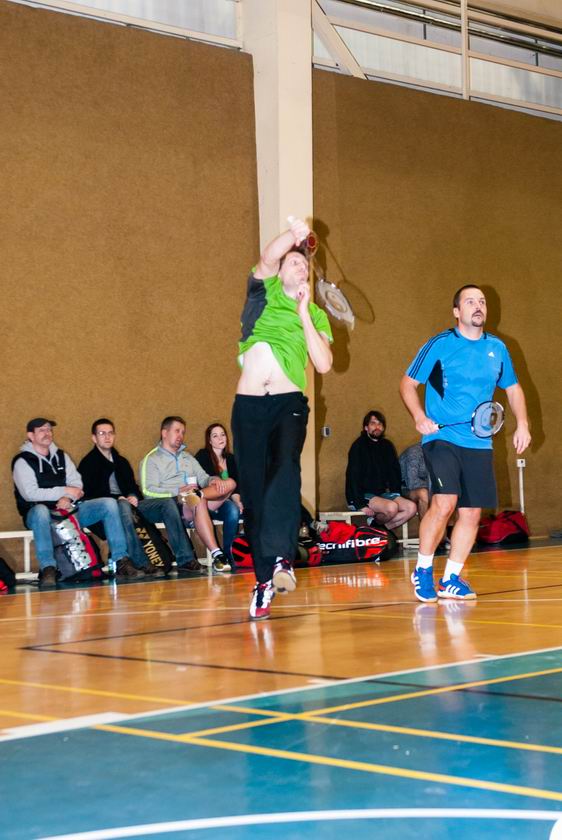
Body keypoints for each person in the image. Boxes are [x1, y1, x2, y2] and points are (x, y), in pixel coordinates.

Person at [400, 284, 531, 602]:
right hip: (441, 437)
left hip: (479, 441)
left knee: (471, 513)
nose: (478, 306)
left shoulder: (497, 348)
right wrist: (419, 416)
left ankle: (451, 579)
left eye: (481, 301)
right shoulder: (440, 344)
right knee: (445, 503)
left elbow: (513, 389)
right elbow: (407, 384)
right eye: (470, 301)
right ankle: (423, 570)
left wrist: (523, 424)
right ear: (457, 311)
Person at [231, 216, 333, 621]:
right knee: (254, 494)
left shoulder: (316, 316)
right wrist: (294, 235)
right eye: (294, 262)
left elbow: (323, 364)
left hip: (289, 402)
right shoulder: (264, 291)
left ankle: (282, 559)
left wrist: (305, 313)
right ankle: (263, 580)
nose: (300, 267)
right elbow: (267, 255)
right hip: (249, 407)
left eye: (304, 265)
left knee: (286, 470)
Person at [12, 418, 138, 587]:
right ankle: (48, 568)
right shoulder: (22, 461)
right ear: (31, 435)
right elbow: (30, 494)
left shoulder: (62, 456)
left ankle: (120, 560)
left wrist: (68, 498)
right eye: (41, 430)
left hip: (68, 510)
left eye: (49, 429)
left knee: (109, 504)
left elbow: (77, 484)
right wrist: (64, 491)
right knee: (41, 510)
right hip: (38, 513)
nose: (47, 433)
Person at [79, 418, 199, 576]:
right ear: (94, 438)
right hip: (110, 509)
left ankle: (185, 559)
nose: (107, 437)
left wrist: (133, 495)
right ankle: (141, 562)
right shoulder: (88, 463)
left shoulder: (121, 462)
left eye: (110, 433)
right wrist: (118, 499)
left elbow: (133, 487)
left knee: (167, 504)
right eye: (102, 433)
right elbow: (88, 495)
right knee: (122, 505)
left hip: (131, 505)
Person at [139, 416, 235, 573]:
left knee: (230, 483)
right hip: (172, 501)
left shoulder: (187, 457)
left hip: (195, 499)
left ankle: (197, 495)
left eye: (183, 432)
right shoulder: (151, 459)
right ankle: (217, 554)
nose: (181, 436)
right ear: (164, 433)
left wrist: (214, 480)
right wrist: (177, 491)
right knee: (197, 499)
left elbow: (203, 478)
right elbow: (148, 491)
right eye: (177, 431)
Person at [345, 411, 417, 530]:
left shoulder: (387, 445)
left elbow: (394, 472)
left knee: (411, 508)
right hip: (362, 494)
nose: (377, 427)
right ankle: (378, 528)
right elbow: (352, 475)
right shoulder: (358, 446)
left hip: (381, 493)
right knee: (392, 508)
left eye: (380, 424)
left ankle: (377, 528)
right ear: (366, 427)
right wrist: (360, 504)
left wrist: (396, 493)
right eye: (373, 423)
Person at [194, 424, 243, 566]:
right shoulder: (203, 455)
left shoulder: (231, 459)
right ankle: (222, 554)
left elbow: (236, 486)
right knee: (231, 504)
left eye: (223, 434)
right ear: (209, 441)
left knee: (234, 510)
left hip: (225, 501)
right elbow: (204, 481)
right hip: (207, 502)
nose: (220, 438)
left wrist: (238, 501)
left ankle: (229, 553)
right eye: (215, 436)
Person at [399, 442, 430, 520]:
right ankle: (425, 527)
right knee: (423, 493)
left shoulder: (435, 453)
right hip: (404, 488)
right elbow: (411, 483)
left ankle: (447, 527)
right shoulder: (414, 452)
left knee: (448, 493)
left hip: (425, 487)